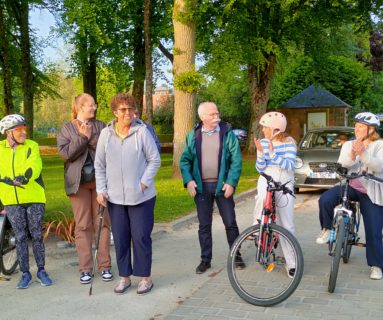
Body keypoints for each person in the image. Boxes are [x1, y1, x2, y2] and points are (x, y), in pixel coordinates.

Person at [95, 92, 160, 295]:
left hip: (141, 197)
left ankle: (145, 278)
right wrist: (101, 189)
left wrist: (143, 183)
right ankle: (125, 277)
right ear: (115, 112)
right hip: (115, 198)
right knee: (121, 238)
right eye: (123, 109)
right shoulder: (106, 134)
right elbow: (99, 164)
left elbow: (154, 160)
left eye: (131, 108)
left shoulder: (142, 132)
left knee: (140, 237)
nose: (128, 113)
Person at [316, 112, 383, 280]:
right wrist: (353, 155)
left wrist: (363, 153)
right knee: (325, 199)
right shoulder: (348, 144)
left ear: (371, 129)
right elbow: (343, 164)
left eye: (361, 126)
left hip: (371, 191)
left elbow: (378, 166)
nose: (357, 129)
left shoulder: (380, 145)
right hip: (350, 185)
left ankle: (376, 265)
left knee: (374, 228)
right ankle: (327, 229)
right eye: (356, 126)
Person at [180, 101, 244, 274]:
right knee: (204, 225)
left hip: (222, 186)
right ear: (202, 117)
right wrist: (189, 180)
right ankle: (205, 260)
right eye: (212, 114)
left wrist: (231, 182)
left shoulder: (226, 134)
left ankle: (236, 255)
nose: (217, 117)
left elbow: (236, 160)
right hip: (201, 188)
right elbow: (185, 160)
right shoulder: (192, 135)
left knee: (230, 222)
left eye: (217, 113)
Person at [57, 93, 113, 284]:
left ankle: (105, 266)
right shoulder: (66, 128)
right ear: (80, 107)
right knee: (82, 226)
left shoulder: (101, 125)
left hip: (100, 183)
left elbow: (109, 149)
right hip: (77, 184)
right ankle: (85, 269)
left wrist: (90, 139)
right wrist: (82, 137)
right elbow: (66, 155)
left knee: (102, 224)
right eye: (91, 105)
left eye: (94, 104)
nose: (94, 107)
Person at [0, 114, 52, 289]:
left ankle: (42, 271)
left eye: (24, 128)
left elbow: (35, 165)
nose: (23, 132)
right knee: (20, 237)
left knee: (36, 234)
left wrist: (26, 176)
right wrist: (4, 179)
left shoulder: (32, 146)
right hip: (11, 200)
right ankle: (25, 273)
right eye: (19, 129)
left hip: (34, 197)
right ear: (8, 132)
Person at [253, 111, 297, 278]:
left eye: (266, 128)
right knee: (261, 200)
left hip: (284, 179)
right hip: (267, 176)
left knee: (287, 224)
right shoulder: (264, 142)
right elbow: (260, 168)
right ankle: (258, 230)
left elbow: (288, 165)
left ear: (276, 129)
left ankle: (292, 263)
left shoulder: (289, 143)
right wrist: (261, 153)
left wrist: (271, 153)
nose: (263, 131)